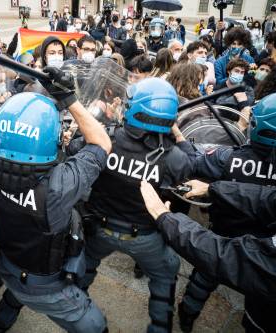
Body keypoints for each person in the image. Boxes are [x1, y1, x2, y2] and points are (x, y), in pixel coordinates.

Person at [139, 140, 276, 332]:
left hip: (275, 316)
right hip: (262, 261)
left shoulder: (229, 157)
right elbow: (273, 199)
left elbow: (230, 259)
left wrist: (166, 219)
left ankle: (187, 315)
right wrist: (212, 189)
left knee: (201, 282)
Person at [0, 66, 111, 331]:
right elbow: (101, 142)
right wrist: (69, 98)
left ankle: (0, 322)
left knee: (13, 296)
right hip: (45, 284)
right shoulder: (61, 185)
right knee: (96, 325)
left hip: (9, 264)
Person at [77, 78, 192, 333]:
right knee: (165, 275)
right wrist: (178, 136)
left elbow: (76, 148)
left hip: (99, 229)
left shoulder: (105, 140)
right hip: (145, 236)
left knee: (82, 268)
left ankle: (77, 310)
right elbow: (192, 164)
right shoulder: (174, 158)